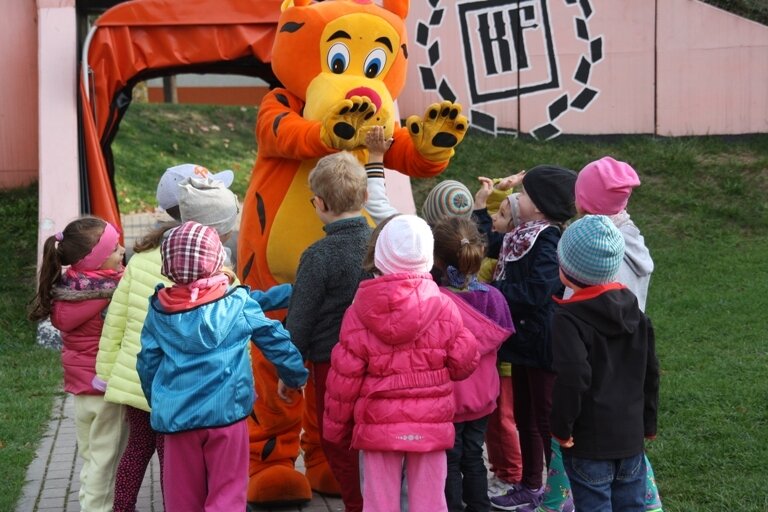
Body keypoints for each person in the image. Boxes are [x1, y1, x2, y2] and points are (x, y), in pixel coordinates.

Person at [95, 169, 246, 512]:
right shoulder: (214, 270)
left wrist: (105, 371)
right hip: (183, 386)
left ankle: (122, 506)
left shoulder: (142, 257)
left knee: (137, 449)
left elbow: (115, 317)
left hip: (137, 381)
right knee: (175, 459)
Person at [137, 221, 309, 511]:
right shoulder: (237, 302)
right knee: (228, 491)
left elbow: (147, 362)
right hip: (227, 415)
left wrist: (157, 400)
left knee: (182, 498)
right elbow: (274, 338)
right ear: (217, 259)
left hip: (178, 419)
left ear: (168, 265)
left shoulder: (159, 309)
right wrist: (294, 375)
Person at [323, 214, 480, 512]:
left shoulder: (358, 312)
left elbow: (344, 379)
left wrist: (335, 429)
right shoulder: (443, 307)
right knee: (430, 503)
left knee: (378, 503)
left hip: (377, 428)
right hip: (431, 425)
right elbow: (464, 363)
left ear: (380, 257)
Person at [538, 156, 662, 512]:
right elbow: (651, 372)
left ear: (566, 269)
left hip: (589, 442)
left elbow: (574, 375)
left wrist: (561, 428)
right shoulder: (636, 314)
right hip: (630, 438)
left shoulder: (569, 318)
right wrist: (648, 422)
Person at [474, 165, 578, 511]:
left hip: (542, 342)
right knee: (525, 416)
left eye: (525, 193)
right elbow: (490, 244)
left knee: (545, 419)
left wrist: (493, 292)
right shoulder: (522, 234)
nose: (518, 197)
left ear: (541, 206)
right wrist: (481, 207)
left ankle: (562, 491)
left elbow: (538, 290)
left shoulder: (548, 239)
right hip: (522, 342)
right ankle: (531, 485)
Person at [286, 150, 373, 511]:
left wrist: (289, 370)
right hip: (380, 361)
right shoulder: (380, 244)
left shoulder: (318, 255)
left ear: (319, 204)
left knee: (337, 440)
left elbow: (300, 319)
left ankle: (357, 504)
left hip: (331, 364)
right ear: (365, 196)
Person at [28, 216, 128, 512]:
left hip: (82, 392)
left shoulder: (69, 288)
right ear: (95, 261)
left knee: (92, 457)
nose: (123, 250)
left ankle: (89, 502)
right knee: (106, 461)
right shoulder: (111, 293)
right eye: (115, 248)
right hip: (106, 389)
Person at [431, 216, 515, 512]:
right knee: (474, 454)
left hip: (449, 399)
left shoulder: (435, 301)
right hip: (483, 396)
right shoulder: (496, 299)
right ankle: (480, 506)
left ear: (437, 259)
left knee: (451, 459)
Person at [472, 172, 525, 500]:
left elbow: (488, 233)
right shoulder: (505, 246)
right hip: (500, 353)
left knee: (502, 418)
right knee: (499, 417)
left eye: (501, 215)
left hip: (503, 357)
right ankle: (505, 471)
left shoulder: (497, 258)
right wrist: (497, 194)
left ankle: (510, 475)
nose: (494, 219)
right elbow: (498, 221)